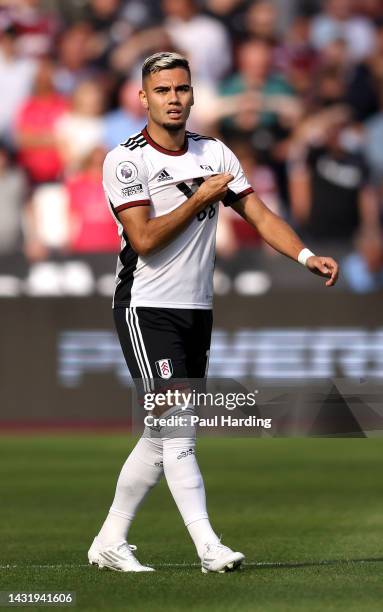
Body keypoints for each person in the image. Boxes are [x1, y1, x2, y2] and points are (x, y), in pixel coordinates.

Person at [88, 51, 339, 574]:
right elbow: (145, 239)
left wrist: (305, 256)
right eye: (162, 90)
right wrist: (199, 196)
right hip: (146, 306)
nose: (173, 99)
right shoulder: (127, 160)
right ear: (143, 98)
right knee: (178, 429)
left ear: (194, 94)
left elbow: (259, 212)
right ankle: (209, 547)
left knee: (161, 434)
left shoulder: (215, 152)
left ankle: (110, 539)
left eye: (181, 89)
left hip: (196, 308)